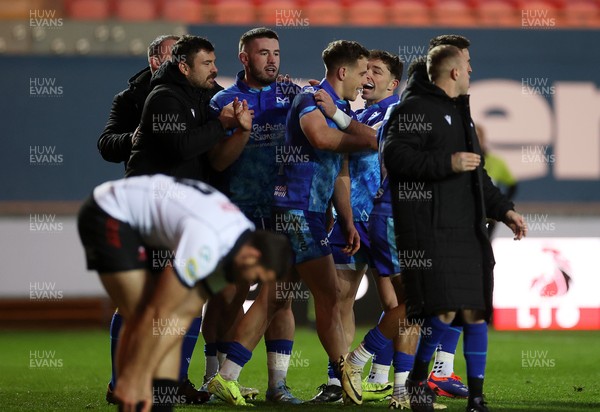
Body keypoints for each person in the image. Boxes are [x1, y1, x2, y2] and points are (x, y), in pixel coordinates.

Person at [342, 42, 527, 412]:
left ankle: (440, 391)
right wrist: (448, 162)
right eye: (468, 65)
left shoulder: (459, 114)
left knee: (451, 307)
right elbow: (394, 155)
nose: (472, 71)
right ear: (453, 71)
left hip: (450, 226)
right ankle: (384, 371)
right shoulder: (409, 110)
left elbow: (477, 174)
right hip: (410, 223)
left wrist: (504, 210)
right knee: (422, 305)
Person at [77, 174, 293, 412]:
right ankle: (125, 385)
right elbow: (161, 310)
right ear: (253, 256)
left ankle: (156, 401)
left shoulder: (241, 242)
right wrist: (135, 374)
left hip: (146, 225)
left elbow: (182, 313)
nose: (252, 282)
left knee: (173, 325)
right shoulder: (208, 241)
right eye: (257, 276)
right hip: (109, 211)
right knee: (142, 313)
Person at [96, 34, 206, 405]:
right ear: (159, 60)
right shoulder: (132, 99)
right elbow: (106, 144)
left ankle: (173, 380)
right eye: (175, 54)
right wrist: (135, 137)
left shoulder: (195, 92)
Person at [271, 39, 377, 401]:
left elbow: (342, 171)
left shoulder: (338, 107)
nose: (365, 80)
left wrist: (344, 219)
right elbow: (322, 139)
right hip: (299, 209)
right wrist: (354, 136)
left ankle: (228, 372)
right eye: (363, 72)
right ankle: (344, 373)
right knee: (329, 294)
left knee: (275, 297)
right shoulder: (311, 98)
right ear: (343, 71)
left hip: (313, 212)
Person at [201, 27, 301, 405]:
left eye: (276, 52)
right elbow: (217, 161)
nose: (272, 59)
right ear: (244, 58)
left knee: (282, 297)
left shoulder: (293, 96)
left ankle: (279, 386)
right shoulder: (222, 102)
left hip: (282, 208)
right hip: (237, 211)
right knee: (230, 293)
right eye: (263, 53)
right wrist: (240, 130)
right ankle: (214, 378)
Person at [312, 49, 402, 404]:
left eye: (376, 72)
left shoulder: (394, 112)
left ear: (393, 83)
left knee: (397, 301)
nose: (367, 78)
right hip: (354, 220)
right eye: (365, 71)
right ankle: (340, 379)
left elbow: (372, 139)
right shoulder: (357, 111)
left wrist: (333, 111)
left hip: (382, 220)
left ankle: (387, 374)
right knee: (338, 300)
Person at [126, 35, 249, 180]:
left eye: (213, 62)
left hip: (186, 193)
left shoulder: (209, 92)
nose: (214, 69)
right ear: (184, 67)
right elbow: (180, 148)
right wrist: (222, 123)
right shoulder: (163, 98)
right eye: (207, 63)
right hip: (149, 194)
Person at [98, 35, 179, 169]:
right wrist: (133, 138)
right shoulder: (128, 99)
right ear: (156, 62)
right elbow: (106, 145)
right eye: (175, 57)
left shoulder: (200, 92)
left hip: (189, 185)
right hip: (145, 184)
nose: (182, 64)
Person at [475, 123, 518, 237]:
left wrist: (501, 205)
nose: (476, 139)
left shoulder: (497, 162)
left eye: (478, 136)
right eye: (473, 135)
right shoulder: (461, 161)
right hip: (468, 214)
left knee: (485, 246)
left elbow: (512, 185)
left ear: (484, 139)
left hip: (488, 216)